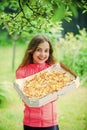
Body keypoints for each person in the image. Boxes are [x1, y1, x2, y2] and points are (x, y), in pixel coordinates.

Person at [16, 34, 59, 130]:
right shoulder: (22, 72)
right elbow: (27, 99)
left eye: (46, 51)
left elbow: (56, 95)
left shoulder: (52, 70)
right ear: (32, 50)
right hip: (31, 122)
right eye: (39, 50)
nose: (43, 54)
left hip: (50, 121)